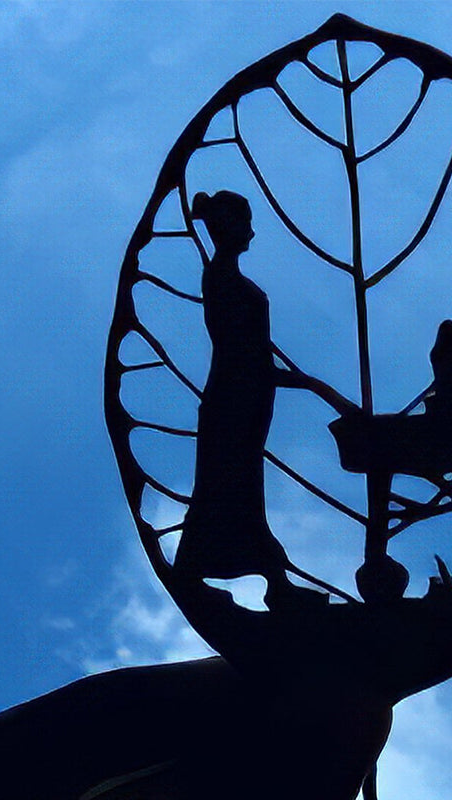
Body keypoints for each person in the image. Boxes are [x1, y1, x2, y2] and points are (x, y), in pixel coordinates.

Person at [174, 191, 310, 608]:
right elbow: (240, 351)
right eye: (244, 220)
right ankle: (200, 573)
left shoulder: (229, 278)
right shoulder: (223, 280)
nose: (251, 229)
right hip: (233, 402)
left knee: (241, 491)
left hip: (247, 402)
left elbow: (252, 351)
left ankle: (274, 583)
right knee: (225, 491)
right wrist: (290, 379)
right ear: (225, 226)